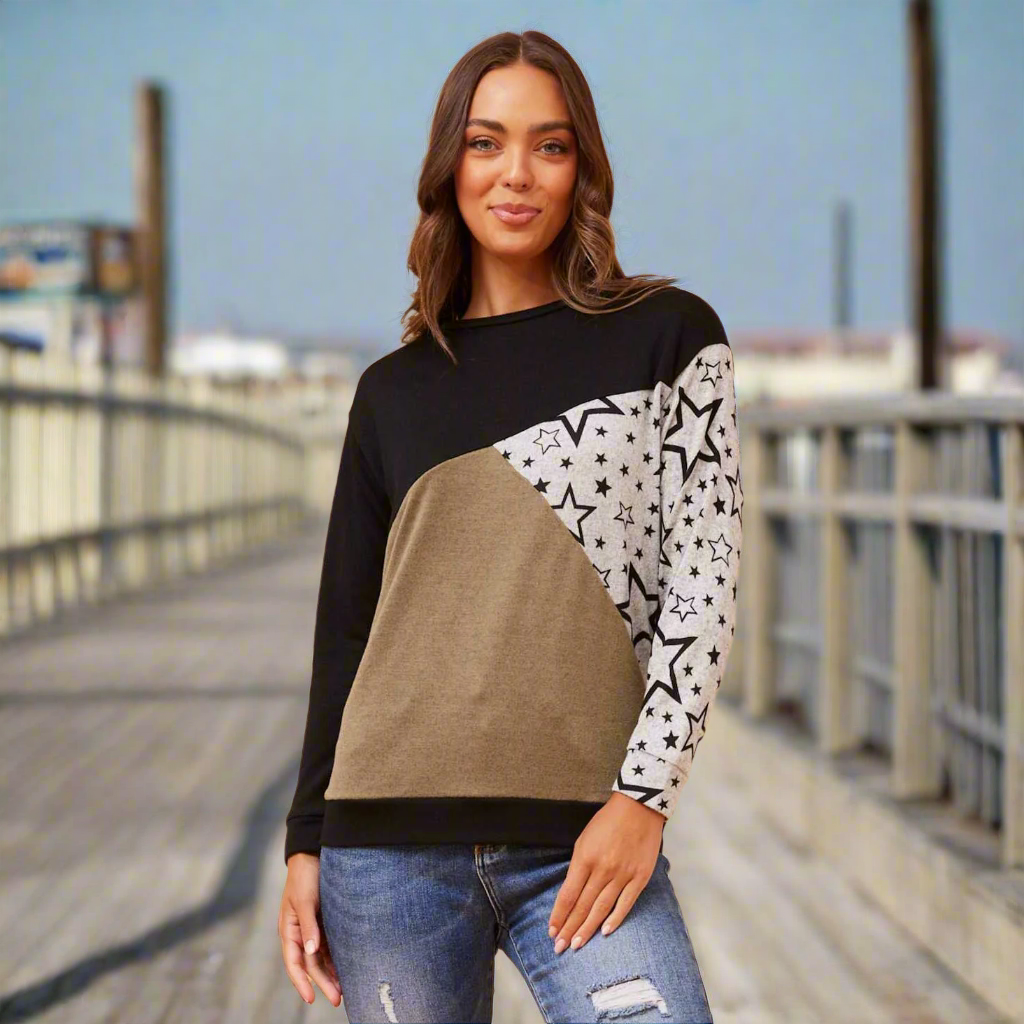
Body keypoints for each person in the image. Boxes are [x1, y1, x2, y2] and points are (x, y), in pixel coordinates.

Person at [278, 28, 741, 1024]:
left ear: (583, 170)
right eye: (486, 143)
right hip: (385, 848)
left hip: (582, 842)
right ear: (450, 167)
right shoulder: (391, 390)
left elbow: (704, 587)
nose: (516, 173)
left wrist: (644, 798)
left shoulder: (669, 337)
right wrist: (304, 840)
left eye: (550, 145)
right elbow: (346, 631)